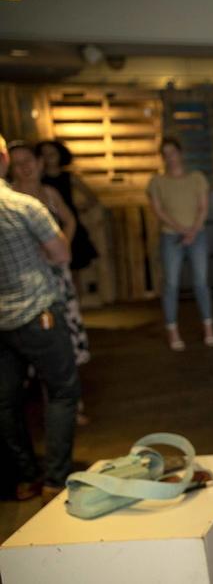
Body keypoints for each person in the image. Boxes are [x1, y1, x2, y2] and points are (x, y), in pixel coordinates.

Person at [0, 132, 81, 502]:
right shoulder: (22, 206)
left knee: (6, 400)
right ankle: (54, 479)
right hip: (37, 312)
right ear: (4, 160)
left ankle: (23, 478)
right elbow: (61, 253)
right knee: (62, 391)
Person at [9, 141, 92, 425]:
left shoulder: (49, 193)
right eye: (16, 162)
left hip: (59, 274)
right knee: (41, 345)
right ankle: (50, 406)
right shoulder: (12, 200)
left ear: (39, 162)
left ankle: (70, 405)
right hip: (30, 284)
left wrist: (60, 245)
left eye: (28, 160)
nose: (24, 167)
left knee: (66, 336)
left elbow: (70, 220)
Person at [146, 137, 213, 350]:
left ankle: (209, 328)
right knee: (171, 285)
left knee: (201, 282)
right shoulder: (157, 182)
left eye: (173, 152)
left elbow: (203, 207)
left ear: (181, 153)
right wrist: (181, 229)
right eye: (165, 154)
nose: (170, 158)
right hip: (170, 236)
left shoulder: (197, 178)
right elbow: (158, 210)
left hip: (198, 235)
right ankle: (172, 331)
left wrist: (193, 230)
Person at [37, 139, 100, 273]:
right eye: (44, 155)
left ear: (60, 155)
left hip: (69, 222)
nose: (48, 159)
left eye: (52, 154)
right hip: (49, 223)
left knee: (74, 268)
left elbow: (92, 197)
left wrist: (80, 209)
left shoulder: (68, 177)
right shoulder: (39, 181)